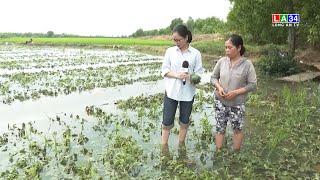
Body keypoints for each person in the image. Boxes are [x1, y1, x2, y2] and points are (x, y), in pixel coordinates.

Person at [210, 34, 257, 151]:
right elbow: (213, 78)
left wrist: (236, 92)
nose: (227, 50)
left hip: (237, 104)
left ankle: (236, 154)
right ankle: (218, 151)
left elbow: (252, 84)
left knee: (237, 129)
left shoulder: (247, 64)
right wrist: (219, 87)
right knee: (220, 128)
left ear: (239, 48)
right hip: (220, 101)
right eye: (225, 47)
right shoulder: (222, 61)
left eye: (230, 47)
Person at [161, 24, 204, 148]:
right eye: (174, 40)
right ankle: (164, 147)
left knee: (184, 120)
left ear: (186, 38)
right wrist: (177, 75)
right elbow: (164, 71)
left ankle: (181, 145)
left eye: (179, 40)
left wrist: (190, 76)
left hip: (188, 92)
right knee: (167, 120)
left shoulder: (195, 53)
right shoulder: (170, 51)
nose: (176, 42)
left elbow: (199, 74)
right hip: (171, 91)